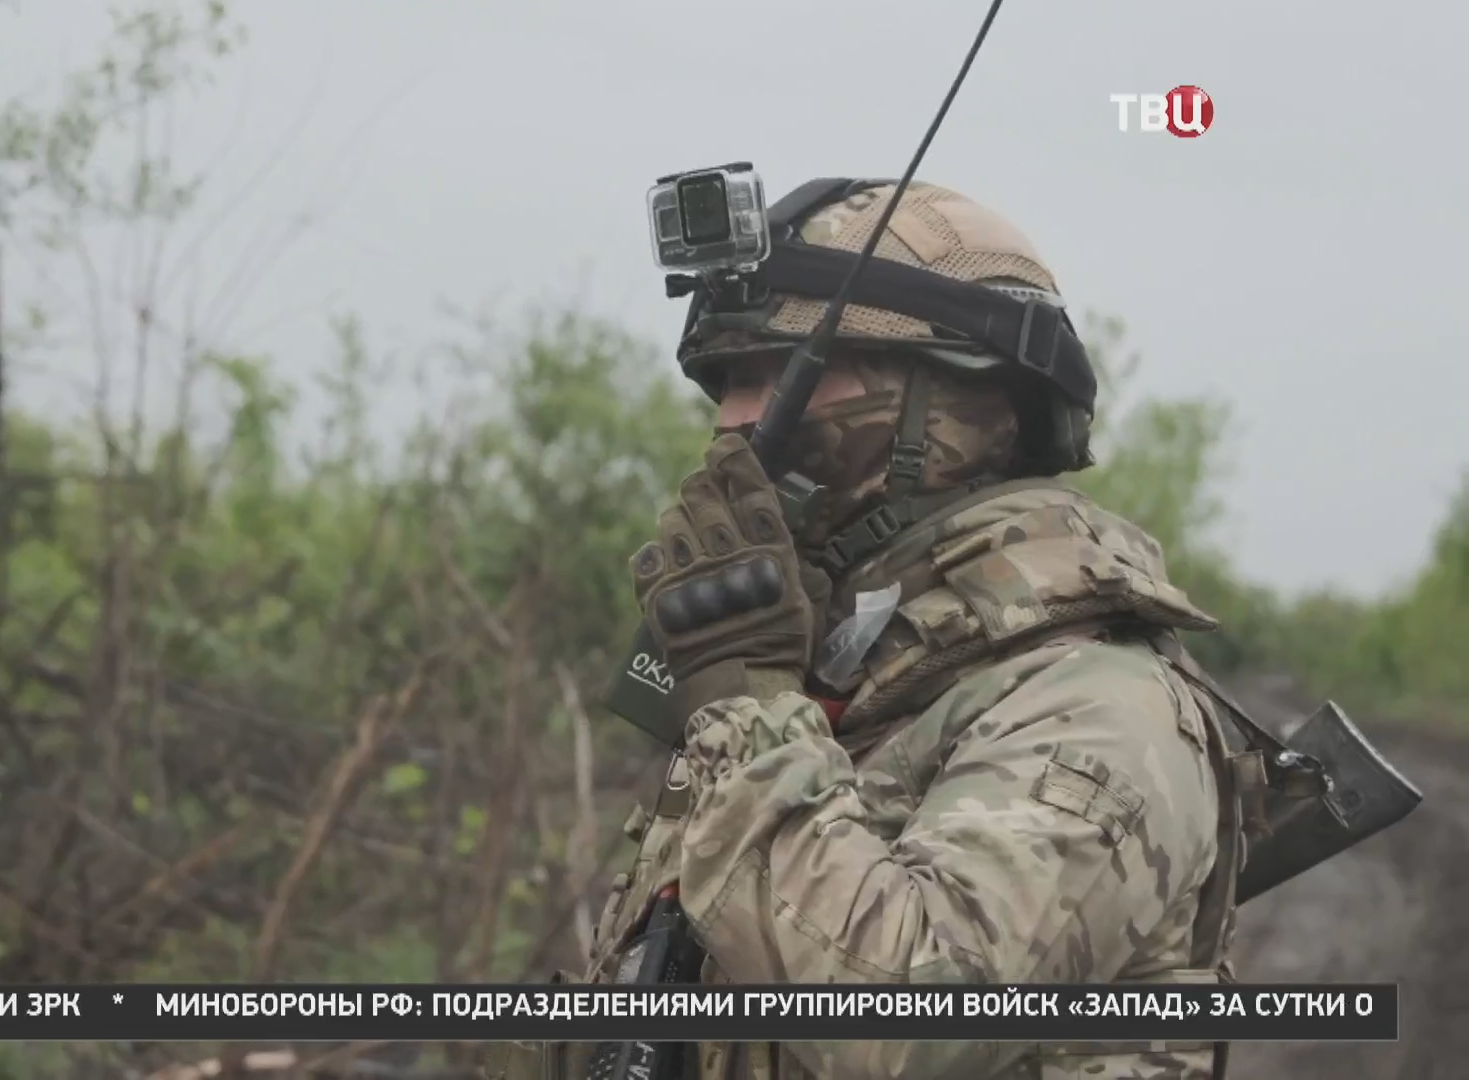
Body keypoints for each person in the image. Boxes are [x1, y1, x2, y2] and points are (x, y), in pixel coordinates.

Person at [499, 182, 1247, 1080]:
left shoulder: (1097, 701)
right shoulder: (841, 677)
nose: (737, 420)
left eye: (783, 372)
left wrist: (747, 710)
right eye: (729, 381)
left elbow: (907, 1028)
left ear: (958, 400)